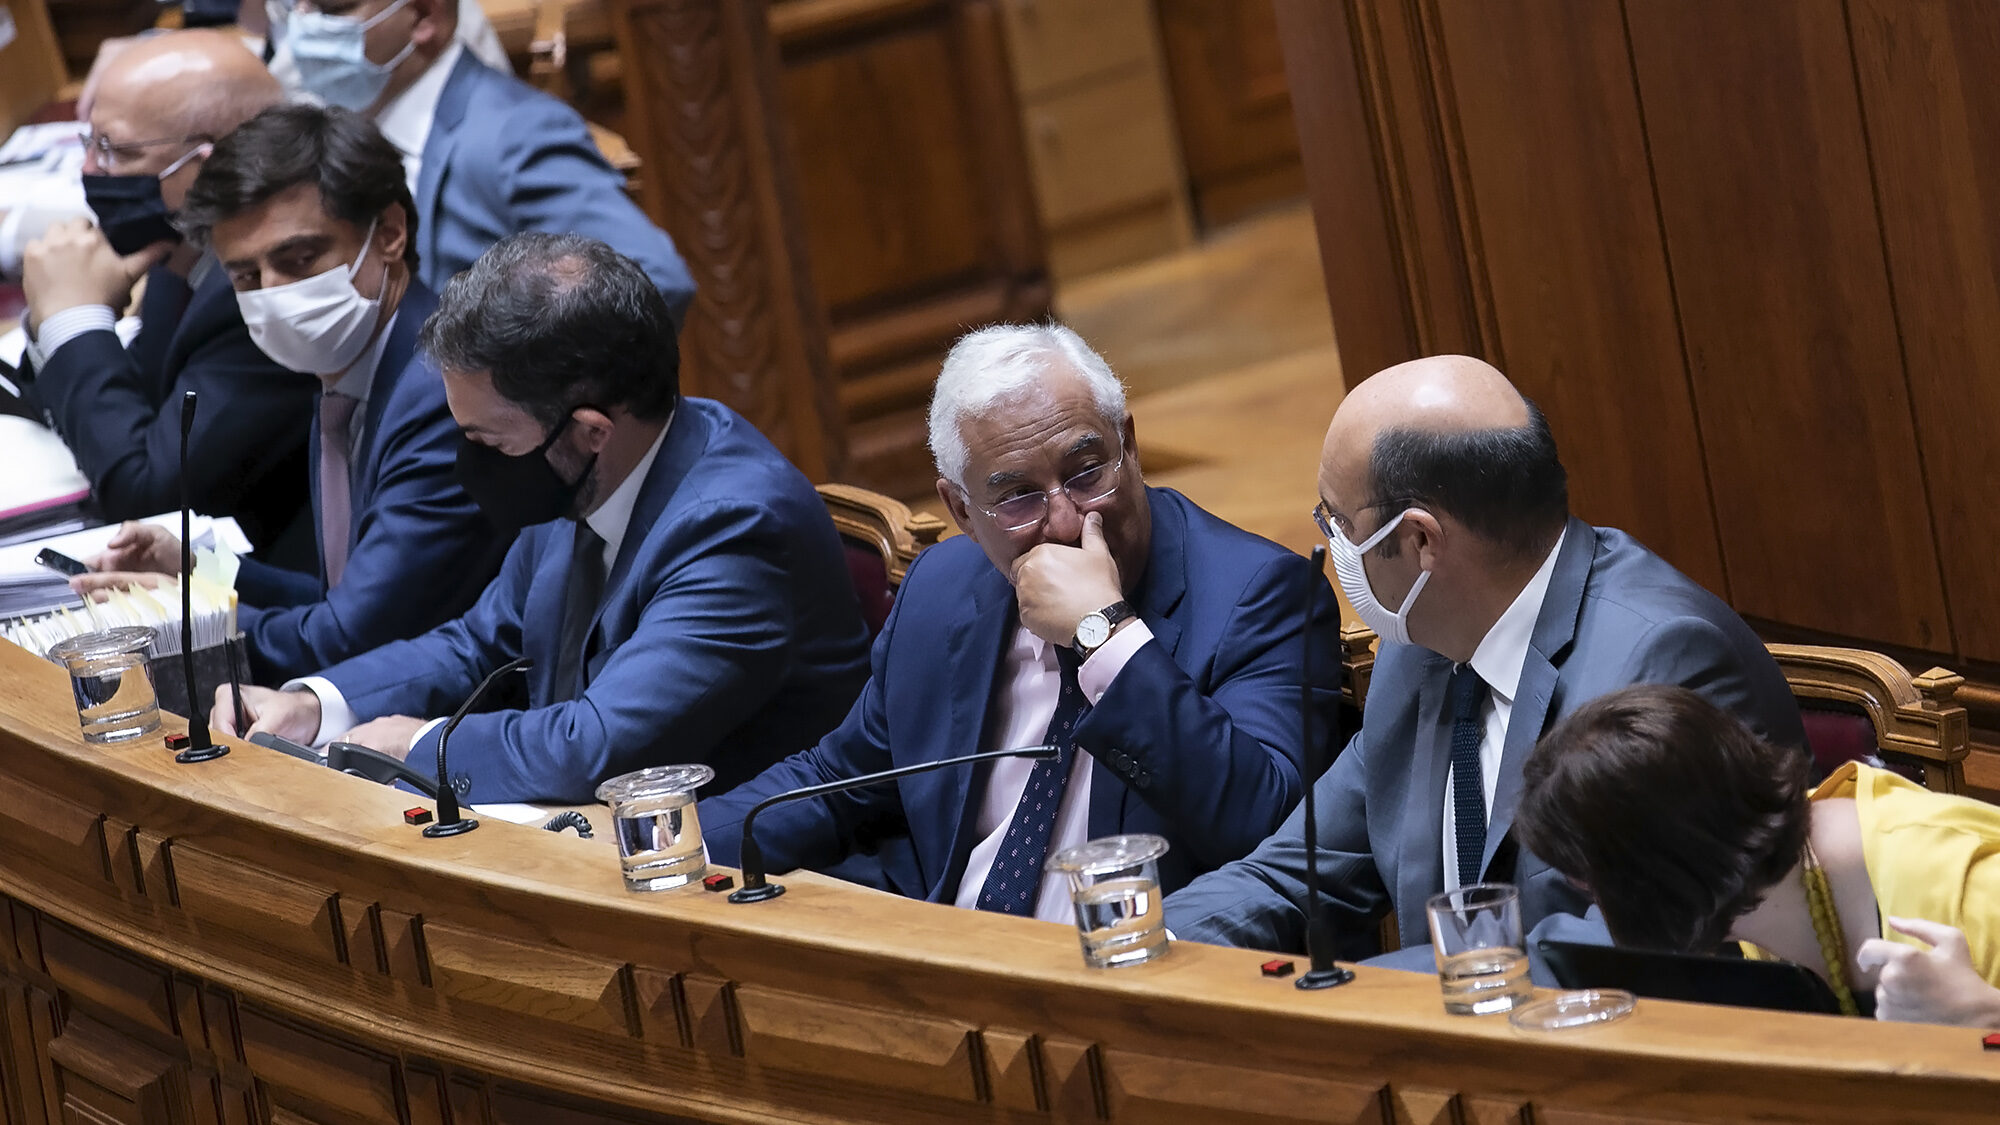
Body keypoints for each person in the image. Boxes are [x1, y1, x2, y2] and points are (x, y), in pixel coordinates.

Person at [1162, 355, 1804, 959]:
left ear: (1420, 540)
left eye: (1339, 524)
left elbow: (1619, 957)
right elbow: (1290, 876)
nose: (1333, 546)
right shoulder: (1419, 647)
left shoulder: (1662, 659)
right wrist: (1138, 942)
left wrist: (1369, 997)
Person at [699, 323, 1342, 917]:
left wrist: (1105, 634)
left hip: (1131, 966)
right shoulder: (943, 588)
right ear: (960, 510)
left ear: (1129, 444)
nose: (1065, 521)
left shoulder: (1256, 594)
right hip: (956, 953)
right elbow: (838, 781)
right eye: (1017, 497)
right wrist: (673, 840)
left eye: (1086, 473)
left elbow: (1266, 827)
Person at [212, 233, 871, 804]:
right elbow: (479, 643)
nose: (467, 464)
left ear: (590, 431)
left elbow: (598, 746)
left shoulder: (735, 528)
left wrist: (421, 744)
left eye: (488, 442)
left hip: (746, 871)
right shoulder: (579, 476)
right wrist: (317, 704)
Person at [73, 104, 506, 684]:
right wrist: (197, 570)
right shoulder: (350, 372)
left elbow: (348, 638)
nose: (273, 294)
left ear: (390, 233)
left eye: (299, 259)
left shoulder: (443, 396)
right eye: (246, 276)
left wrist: (185, 618)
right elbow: (342, 598)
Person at [1514, 683, 2000, 1027]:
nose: (1599, 910)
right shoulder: (1754, 889)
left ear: (1660, 878)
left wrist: (1986, 1015)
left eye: (1589, 884)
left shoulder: (1973, 888)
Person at [18, 31, 318, 561]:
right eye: (89, 143)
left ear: (211, 165)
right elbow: (131, 407)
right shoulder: (178, 251)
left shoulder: (263, 291)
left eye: (113, 150)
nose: (88, 170)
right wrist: (64, 314)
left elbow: (150, 497)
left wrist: (72, 320)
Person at [273, 0, 696, 321]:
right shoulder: (351, 130)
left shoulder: (515, 135)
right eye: (298, 4)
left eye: (333, 8)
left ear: (424, 15)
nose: (304, 23)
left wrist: (512, 390)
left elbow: (654, 280)